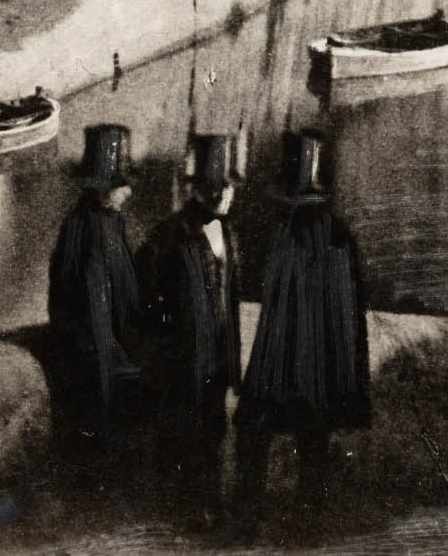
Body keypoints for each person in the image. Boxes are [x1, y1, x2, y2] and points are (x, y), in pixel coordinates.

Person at [235, 129, 371, 508]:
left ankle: (249, 510)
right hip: (322, 365)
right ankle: (308, 518)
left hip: (286, 362)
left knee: (256, 429)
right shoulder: (338, 236)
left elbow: (278, 305)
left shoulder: (289, 234)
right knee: (312, 438)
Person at [143, 132, 244, 490]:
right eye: (214, 189)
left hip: (215, 358)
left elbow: (230, 299)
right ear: (196, 190)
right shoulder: (170, 235)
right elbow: (149, 297)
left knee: (213, 433)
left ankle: (209, 506)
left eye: (227, 189)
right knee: (182, 439)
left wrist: (232, 361)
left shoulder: (229, 234)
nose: (223, 196)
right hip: (182, 360)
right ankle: (183, 511)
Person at [47, 123, 148, 452]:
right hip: (92, 365)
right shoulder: (79, 228)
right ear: (103, 186)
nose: (128, 192)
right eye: (122, 185)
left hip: (117, 361)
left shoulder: (114, 224)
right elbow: (66, 301)